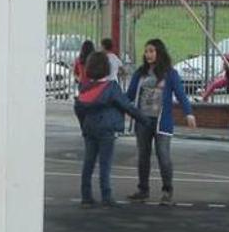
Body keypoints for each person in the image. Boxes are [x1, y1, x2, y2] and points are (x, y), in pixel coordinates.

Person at [125, 39, 198, 206]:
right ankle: (143, 190)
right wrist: (115, 102)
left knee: (163, 155)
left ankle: (167, 190)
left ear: (159, 52)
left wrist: (189, 113)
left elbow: (180, 94)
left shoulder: (170, 73)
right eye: (146, 51)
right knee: (143, 156)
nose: (148, 54)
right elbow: (129, 95)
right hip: (142, 120)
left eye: (151, 51)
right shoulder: (140, 73)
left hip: (162, 122)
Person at [75, 51, 149, 207]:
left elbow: (79, 109)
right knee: (105, 164)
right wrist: (144, 120)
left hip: (89, 128)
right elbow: (127, 106)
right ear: (106, 68)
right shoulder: (111, 87)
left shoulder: (84, 87)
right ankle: (106, 196)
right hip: (107, 129)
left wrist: (84, 125)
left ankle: (86, 197)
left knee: (88, 163)